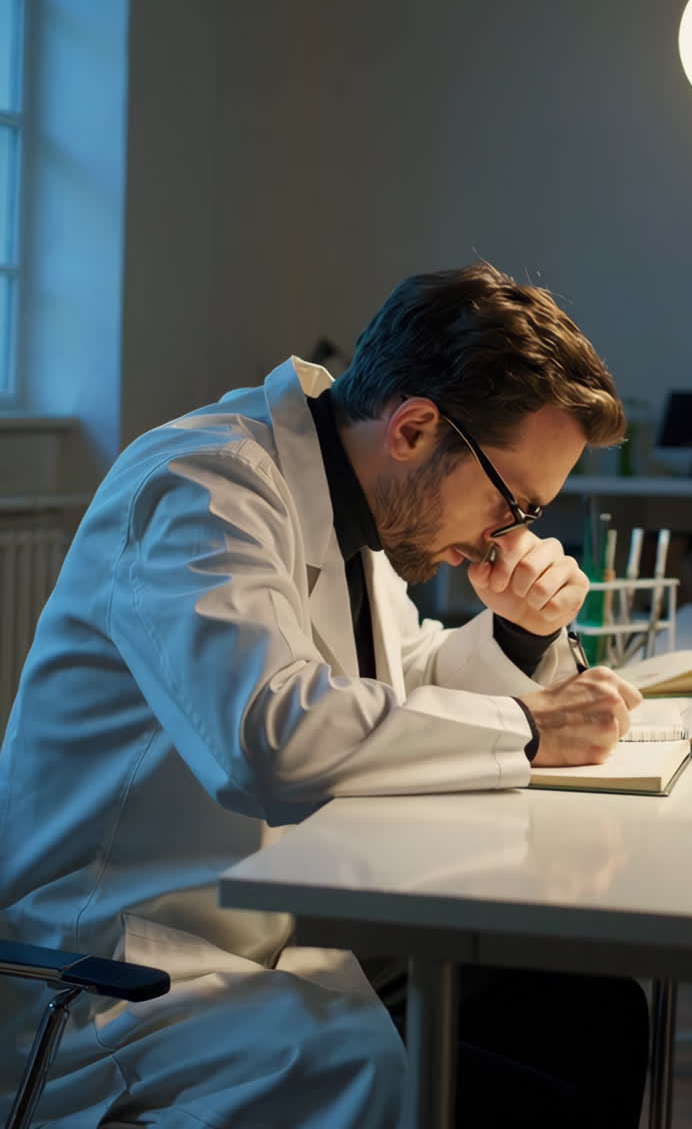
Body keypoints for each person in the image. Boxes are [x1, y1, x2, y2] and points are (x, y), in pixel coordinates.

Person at [0, 262, 648, 1128]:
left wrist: (520, 636)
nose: (509, 535)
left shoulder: (358, 510)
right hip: (116, 967)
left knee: (589, 1006)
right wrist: (529, 730)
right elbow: (269, 737)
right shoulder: (203, 486)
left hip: (270, 930)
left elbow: (401, 681)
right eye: (511, 504)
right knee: (364, 1071)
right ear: (415, 429)